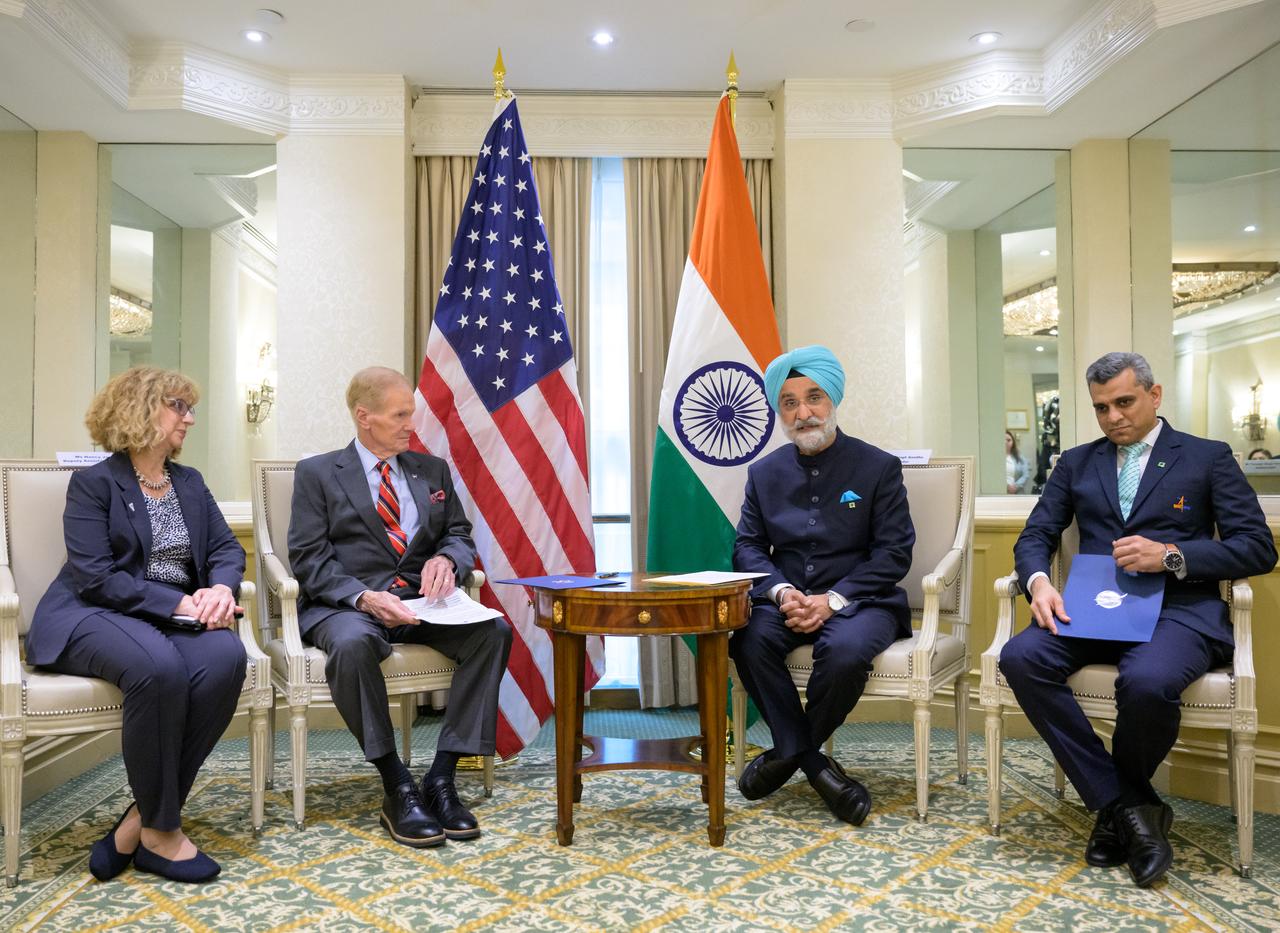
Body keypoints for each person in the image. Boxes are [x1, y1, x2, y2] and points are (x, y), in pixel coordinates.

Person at [999, 351, 1276, 888]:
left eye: (1124, 402)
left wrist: (1172, 555)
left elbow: (1258, 548)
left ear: (1154, 395)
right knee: (1021, 656)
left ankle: (1114, 813)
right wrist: (1038, 584)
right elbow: (1036, 535)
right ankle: (1130, 807)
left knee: (1147, 682)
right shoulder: (1076, 463)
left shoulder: (1208, 457)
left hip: (1179, 612)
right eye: (1101, 408)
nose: (1113, 417)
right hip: (1093, 609)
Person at [28, 367, 247, 884]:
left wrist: (219, 589)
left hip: (163, 617)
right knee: (159, 669)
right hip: (90, 613)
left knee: (226, 659)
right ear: (141, 409)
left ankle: (137, 824)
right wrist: (182, 605)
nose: (189, 418)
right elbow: (96, 576)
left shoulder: (189, 482)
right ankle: (163, 836)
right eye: (178, 406)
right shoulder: (95, 484)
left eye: (190, 408)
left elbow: (226, 549)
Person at [288, 366, 512, 848]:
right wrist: (363, 596)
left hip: (420, 605)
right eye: (401, 415)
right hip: (349, 606)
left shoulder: (431, 470)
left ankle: (442, 777)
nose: (412, 424)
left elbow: (458, 532)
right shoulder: (318, 473)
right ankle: (396, 784)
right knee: (351, 646)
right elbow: (308, 558)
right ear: (364, 416)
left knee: (492, 632)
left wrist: (447, 560)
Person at [729, 345, 915, 825]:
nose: (803, 412)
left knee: (847, 651)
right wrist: (783, 593)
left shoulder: (878, 467)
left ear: (833, 399)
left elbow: (894, 553)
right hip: (786, 602)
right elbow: (747, 548)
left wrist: (832, 601)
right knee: (748, 640)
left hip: (862, 602)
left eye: (813, 397)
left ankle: (786, 755)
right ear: (780, 413)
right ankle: (813, 763)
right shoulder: (763, 473)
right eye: (789, 402)